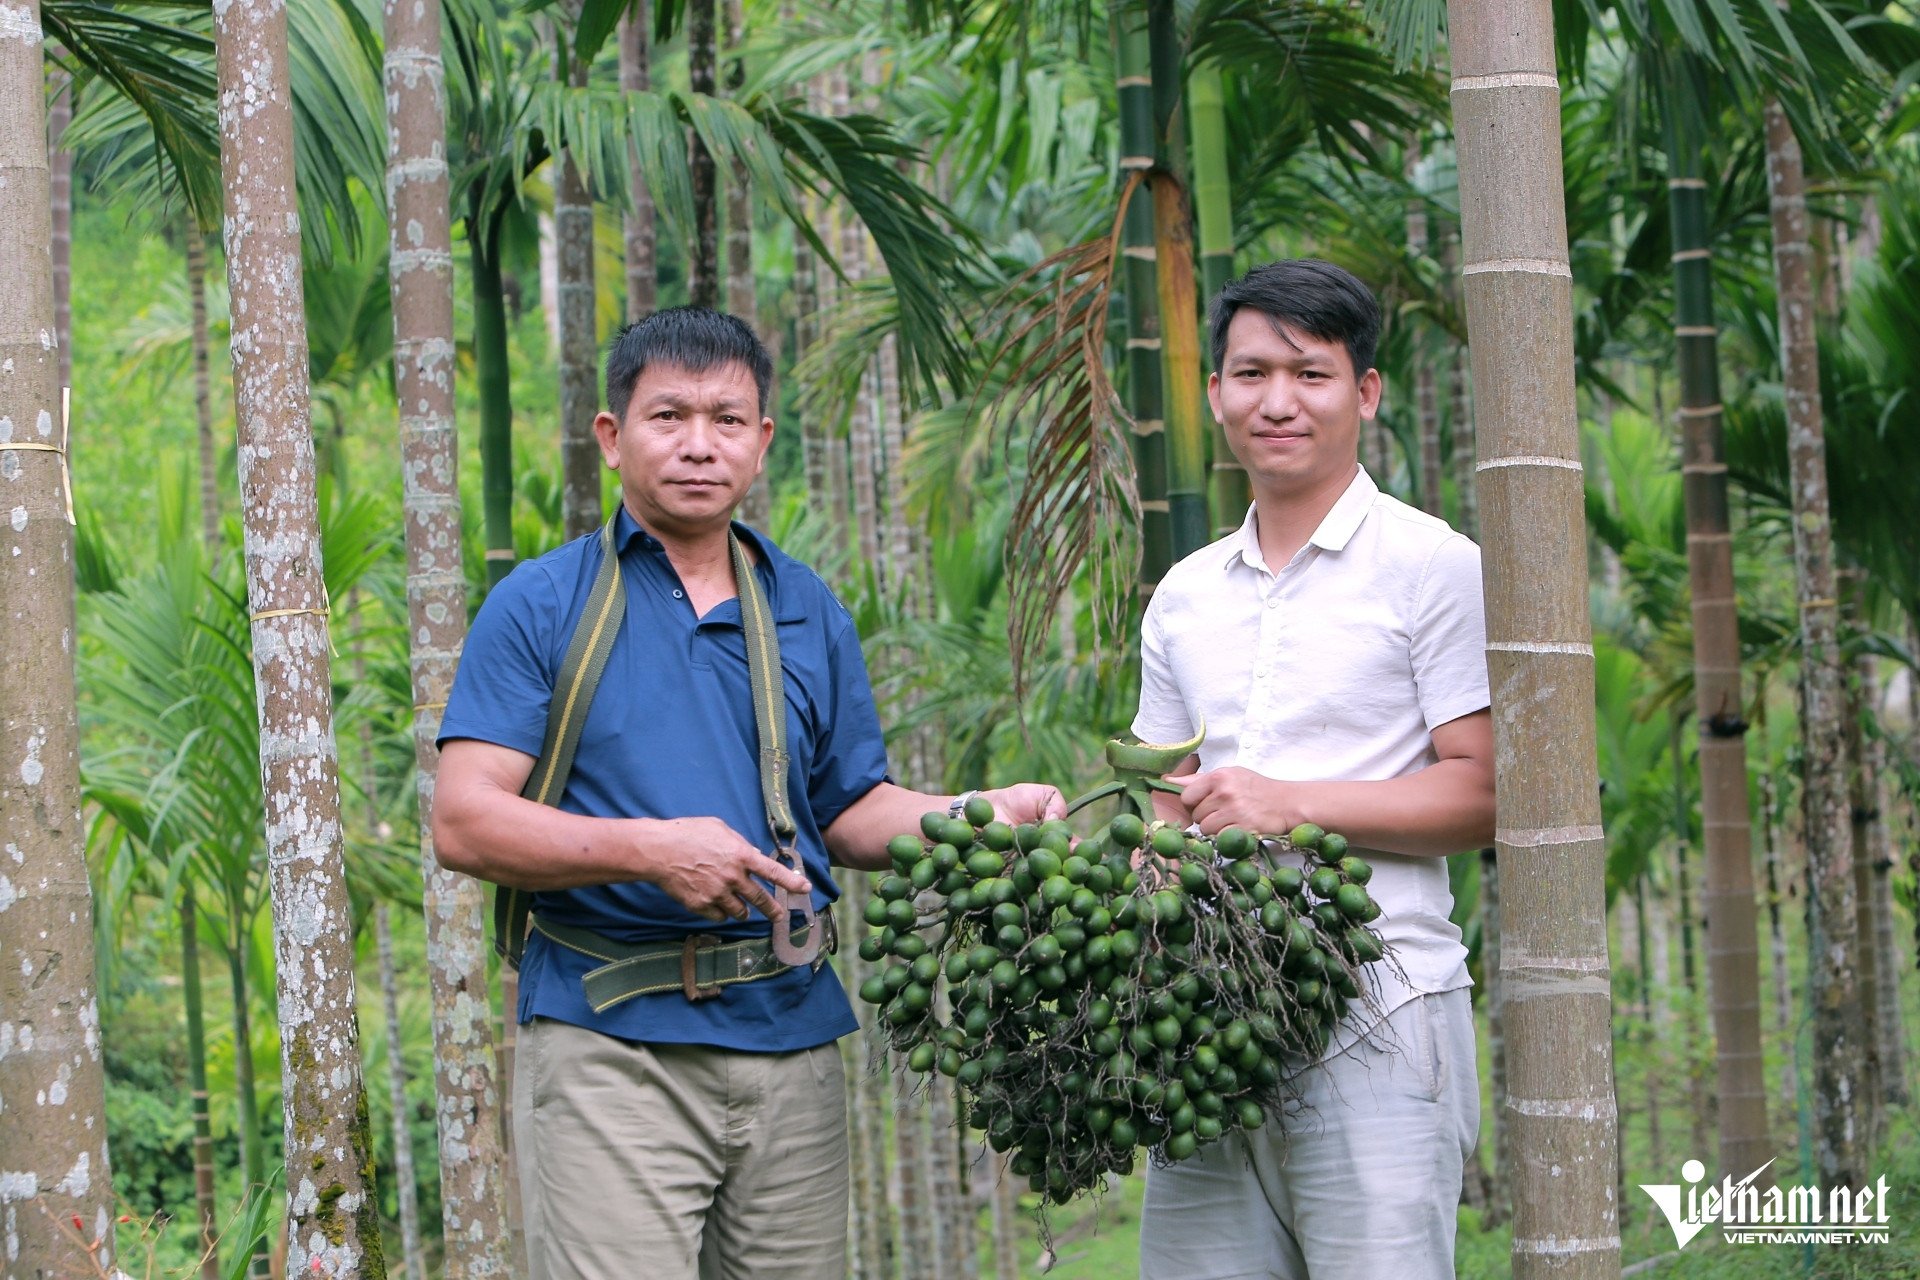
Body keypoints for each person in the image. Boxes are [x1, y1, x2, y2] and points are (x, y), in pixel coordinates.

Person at [431, 307, 1063, 1280]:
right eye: (668, 416)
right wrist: (654, 850)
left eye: (727, 419)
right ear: (611, 436)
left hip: (792, 1035)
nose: (697, 445)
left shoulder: (807, 607)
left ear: (762, 441)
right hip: (613, 1046)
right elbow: (465, 819)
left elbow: (852, 811)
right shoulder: (541, 603)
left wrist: (980, 814)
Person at [1132, 260, 1496, 1279]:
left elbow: (1484, 792)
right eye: (1250, 373)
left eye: (1310, 372)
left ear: (1365, 393)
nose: (1277, 401)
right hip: (1206, 1019)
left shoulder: (1433, 564)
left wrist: (1286, 805)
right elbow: (1165, 801)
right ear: (1215, 394)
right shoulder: (1184, 593)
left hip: (1382, 1006)